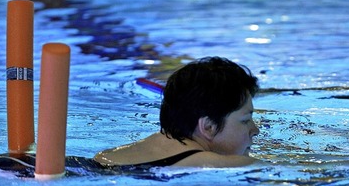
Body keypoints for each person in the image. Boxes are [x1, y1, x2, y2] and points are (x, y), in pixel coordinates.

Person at [94, 56, 261, 168]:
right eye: (245, 120)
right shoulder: (214, 164)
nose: (255, 130)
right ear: (209, 126)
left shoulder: (108, 155)